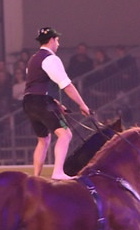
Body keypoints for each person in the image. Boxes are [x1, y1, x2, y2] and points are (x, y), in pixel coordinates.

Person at [22, 27, 92, 180]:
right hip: (41, 102)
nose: (58, 44)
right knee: (65, 134)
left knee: (43, 140)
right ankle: (58, 172)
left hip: (29, 102)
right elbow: (66, 85)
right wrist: (82, 105)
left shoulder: (33, 59)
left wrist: (54, 102)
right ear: (52, 40)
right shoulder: (51, 58)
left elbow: (36, 85)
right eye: (58, 40)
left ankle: (35, 177)